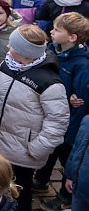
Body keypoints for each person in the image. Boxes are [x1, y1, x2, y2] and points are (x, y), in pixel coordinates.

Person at [0, 25, 69, 211]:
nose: (8, 48)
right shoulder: (6, 65)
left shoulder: (48, 82)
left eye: (12, 46)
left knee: (20, 191)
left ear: (26, 52)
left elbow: (57, 123)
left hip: (23, 152)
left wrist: (36, 148)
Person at [32, 13, 89, 211]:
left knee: (67, 158)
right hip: (50, 114)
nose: (51, 31)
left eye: (57, 29)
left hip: (69, 124)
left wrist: (71, 104)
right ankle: (41, 180)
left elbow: (81, 100)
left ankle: (65, 195)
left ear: (72, 37)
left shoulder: (82, 64)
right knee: (49, 152)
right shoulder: (52, 49)